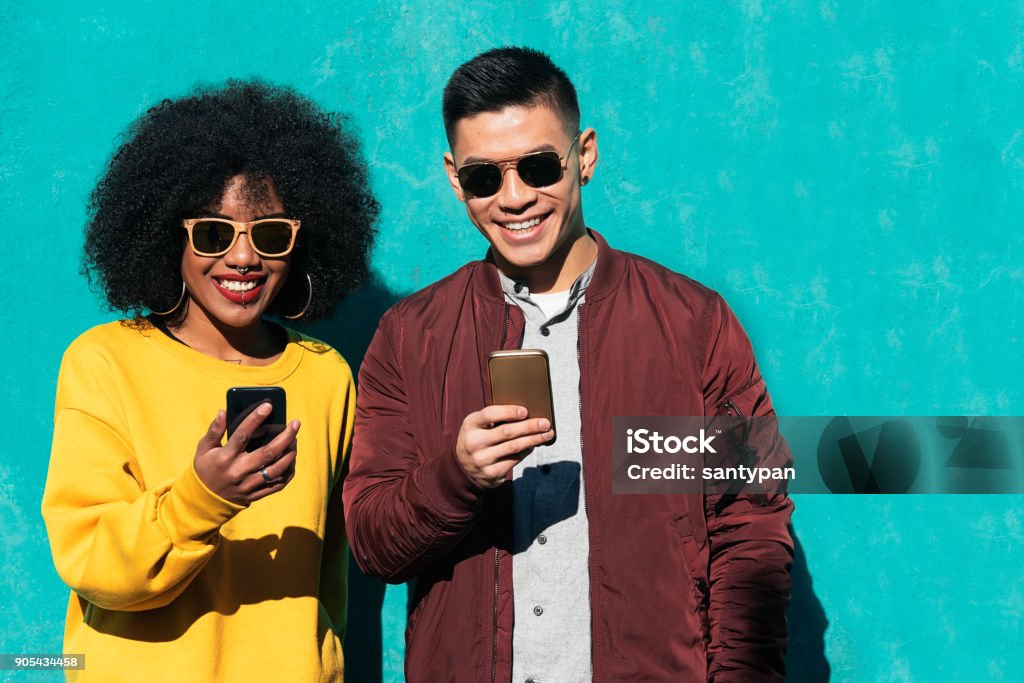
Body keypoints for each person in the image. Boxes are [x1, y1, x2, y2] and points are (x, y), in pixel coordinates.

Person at [343, 47, 794, 682]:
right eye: (484, 177)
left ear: (584, 156)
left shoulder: (693, 323)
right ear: (453, 177)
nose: (514, 198)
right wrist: (456, 475)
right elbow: (372, 544)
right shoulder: (410, 336)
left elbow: (748, 524)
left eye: (538, 166)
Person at [41, 80, 378, 682]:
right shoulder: (105, 363)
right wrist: (203, 496)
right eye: (214, 234)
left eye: (270, 234)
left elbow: (329, 575)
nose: (244, 258)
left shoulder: (327, 375)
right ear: (170, 234)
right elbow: (90, 561)